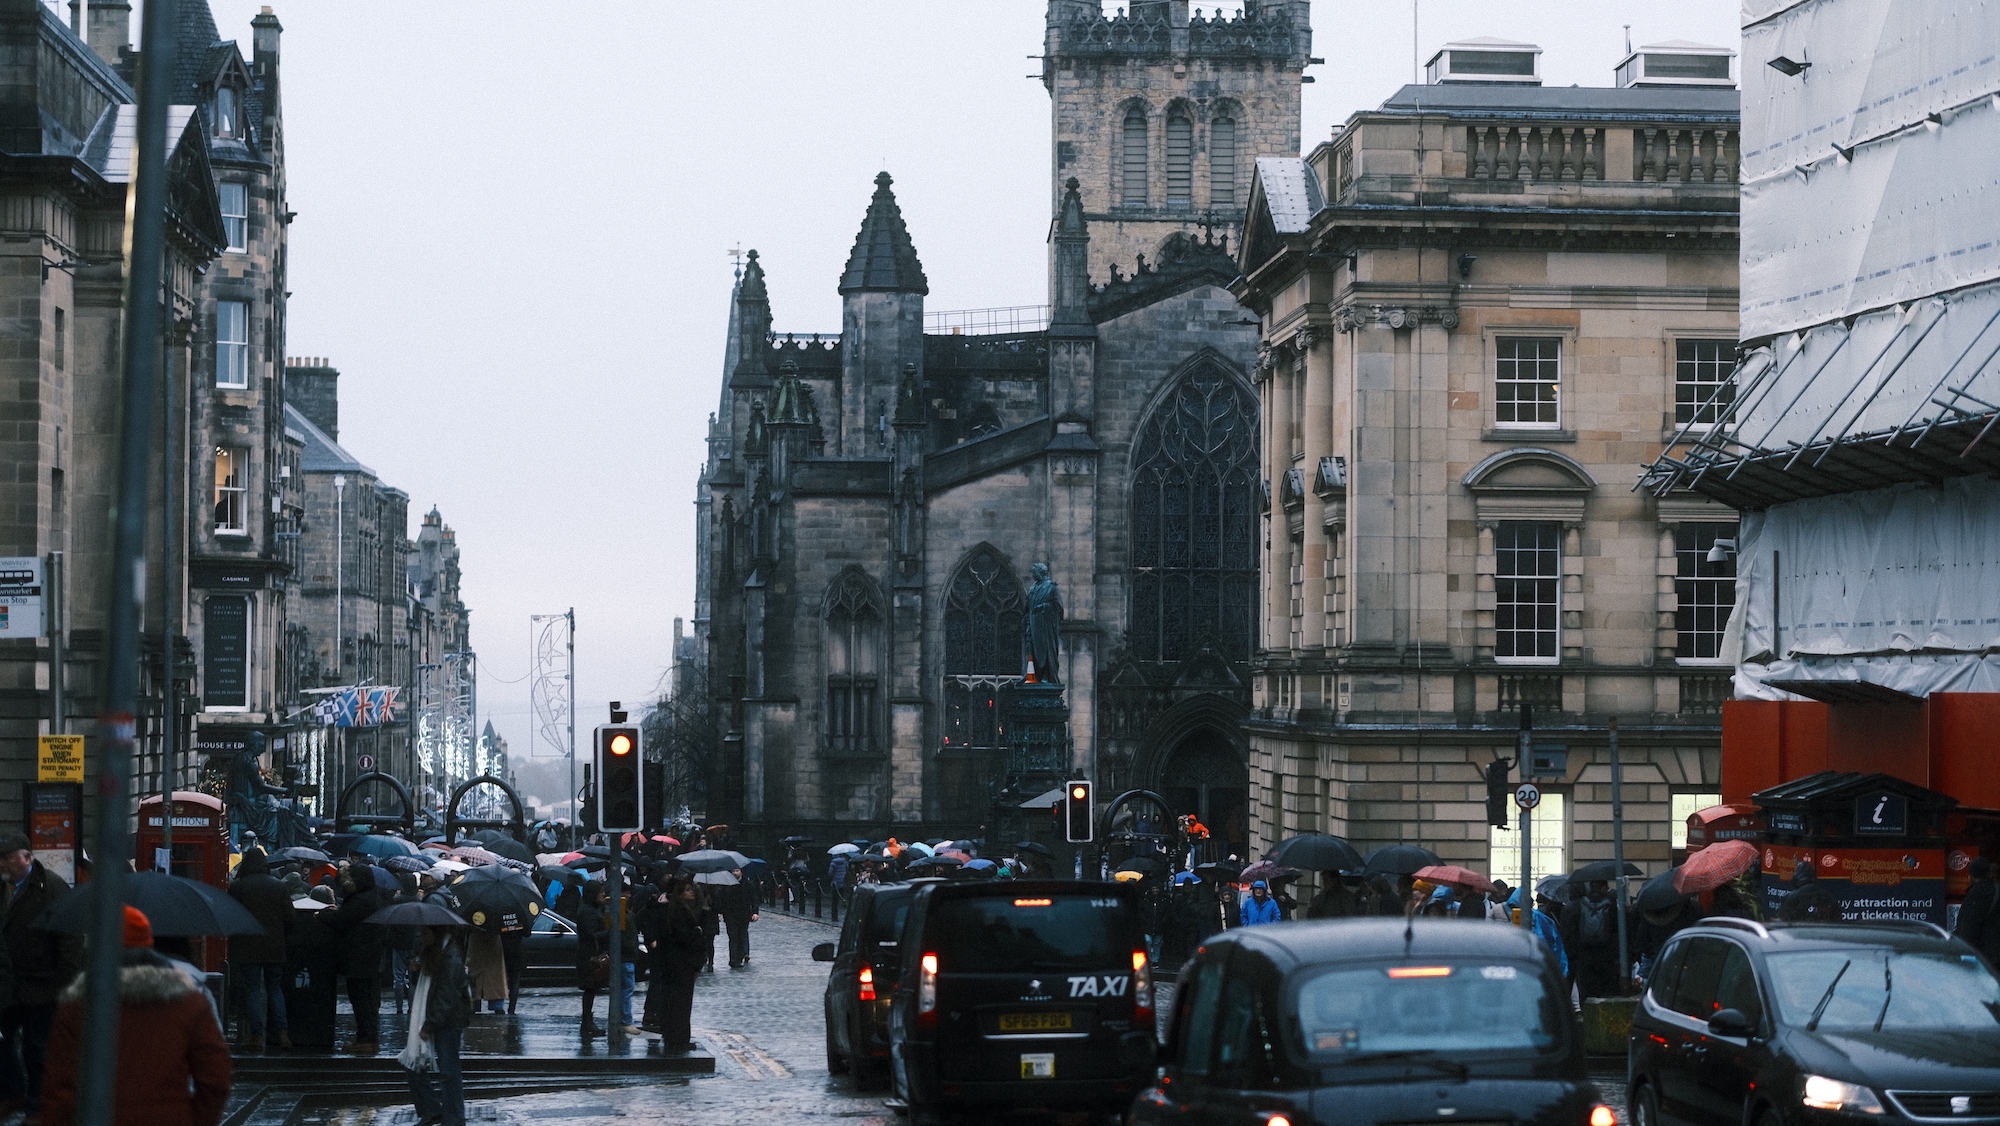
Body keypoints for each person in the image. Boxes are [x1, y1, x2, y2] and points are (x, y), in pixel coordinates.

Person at [42, 907, 232, 1126]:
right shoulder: (190, 1004)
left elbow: (59, 1089)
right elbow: (215, 1078)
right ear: (148, 944)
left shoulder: (77, 1008)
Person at [0, 831, 78, 1119]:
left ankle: (37, 1106)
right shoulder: (4, 888)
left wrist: (65, 988)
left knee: (37, 1050)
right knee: (3, 1040)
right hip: (9, 984)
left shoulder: (51, 889)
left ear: (27, 858)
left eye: (8, 859)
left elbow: (69, 941)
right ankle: (13, 1093)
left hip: (42, 986)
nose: (3, 865)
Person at [401, 925, 470, 1126]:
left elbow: (446, 995)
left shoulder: (450, 956)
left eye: (425, 933)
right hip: (433, 1016)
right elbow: (428, 984)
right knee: (415, 1063)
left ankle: (454, 1117)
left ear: (436, 932)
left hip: (447, 1020)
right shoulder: (435, 952)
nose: (422, 937)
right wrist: (416, 971)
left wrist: (429, 1026)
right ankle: (433, 1110)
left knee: (449, 1070)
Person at [228, 847, 293, 1051]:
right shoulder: (279, 886)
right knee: (275, 989)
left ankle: (257, 1034)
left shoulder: (238, 887)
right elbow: (290, 918)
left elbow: (231, 916)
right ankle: (282, 1034)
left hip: (247, 946)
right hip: (274, 947)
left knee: (253, 990)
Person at [328, 863, 392, 1054]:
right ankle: (370, 1038)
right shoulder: (375, 897)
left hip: (358, 957)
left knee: (360, 999)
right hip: (371, 956)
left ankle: (364, 1038)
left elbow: (342, 920)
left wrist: (323, 915)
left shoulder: (360, 900)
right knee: (370, 1001)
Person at [648, 876, 706, 1051]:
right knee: (681, 1003)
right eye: (688, 889)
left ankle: (673, 1036)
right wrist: (697, 932)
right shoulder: (679, 912)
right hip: (681, 964)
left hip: (672, 963)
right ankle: (679, 1038)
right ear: (680, 893)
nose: (692, 892)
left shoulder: (672, 910)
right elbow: (684, 938)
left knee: (673, 1001)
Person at [1559, 880, 1623, 999]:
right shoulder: (1613, 906)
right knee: (1607, 993)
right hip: (1607, 957)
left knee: (1586, 993)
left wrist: (1574, 957)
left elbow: (1567, 936)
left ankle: (1588, 1015)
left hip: (1584, 958)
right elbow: (1620, 932)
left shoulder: (1574, 907)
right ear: (1603, 888)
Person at [576, 883, 611, 1039]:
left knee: (592, 988)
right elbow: (591, 934)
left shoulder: (595, 908)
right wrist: (609, 932)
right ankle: (587, 1022)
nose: (603, 895)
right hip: (589, 955)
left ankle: (588, 1021)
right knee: (590, 988)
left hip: (590, 953)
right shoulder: (587, 911)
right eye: (600, 892)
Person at [716, 870, 759, 969]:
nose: (735, 873)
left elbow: (754, 898)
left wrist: (755, 912)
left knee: (741, 936)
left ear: (741, 872)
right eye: (733, 871)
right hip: (730, 914)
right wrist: (720, 911)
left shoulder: (747, 884)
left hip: (744, 914)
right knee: (733, 937)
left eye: (737, 871)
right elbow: (721, 898)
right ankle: (733, 959)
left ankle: (739, 958)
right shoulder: (726, 884)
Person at [1780, 859, 1843, 924]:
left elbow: (1783, 921)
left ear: (1796, 877)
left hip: (1799, 932)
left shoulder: (1792, 898)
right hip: (1825, 932)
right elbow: (1838, 919)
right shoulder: (1827, 896)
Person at [465, 929, 509, 1013]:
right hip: (492, 941)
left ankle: (475, 1003)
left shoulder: (471, 920)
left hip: (477, 942)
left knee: (476, 976)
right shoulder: (496, 920)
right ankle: (496, 1004)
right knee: (495, 977)